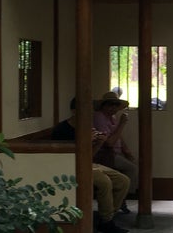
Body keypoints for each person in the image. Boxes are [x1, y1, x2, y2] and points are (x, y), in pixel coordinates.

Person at [51, 98, 130, 233]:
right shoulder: (62, 129)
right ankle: (107, 222)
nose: (88, 114)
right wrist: (85, 141)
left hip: (87, 163)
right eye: (84, 111)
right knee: (105, 182)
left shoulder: (87, 127)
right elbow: (63, 155)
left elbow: (89, 155)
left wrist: (99, 142)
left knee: (123, 180)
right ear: (74, 111)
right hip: (71, 165)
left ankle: (107, 216)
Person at [93, 92, 138, 196]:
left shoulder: (112, 118)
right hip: (104, 154)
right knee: (132, 169)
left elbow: (118, 135)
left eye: (116, 105)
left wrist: (126, 150)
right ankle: (126, 196)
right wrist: (122, 124)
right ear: (103, 106)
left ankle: (122, 195)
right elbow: (109, 143)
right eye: (110, 104)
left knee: (131, 165)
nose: (113, 107)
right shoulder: (99, 117)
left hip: (114, 153)